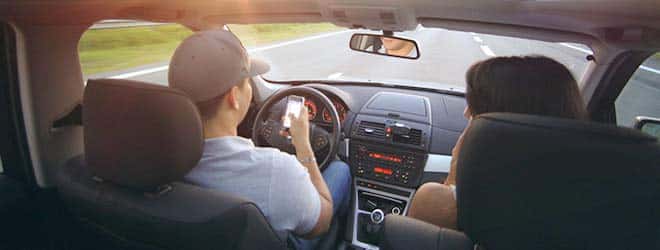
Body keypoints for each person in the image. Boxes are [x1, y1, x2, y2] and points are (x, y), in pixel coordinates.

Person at [168, 29, 351, 249]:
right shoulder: (276, 170)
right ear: (234, 97)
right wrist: (303, 145)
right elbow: (321, 222)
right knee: (341, 171)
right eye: (247, 82)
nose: (251, 89)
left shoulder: (152, 158)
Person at [407, 55, 587, 229]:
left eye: (476, 108)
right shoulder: (594, 195)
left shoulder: (442, 203)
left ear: (507, 121)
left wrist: (457, 175)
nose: (466, 114)